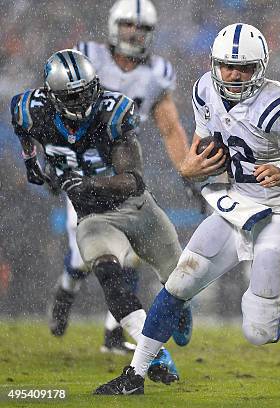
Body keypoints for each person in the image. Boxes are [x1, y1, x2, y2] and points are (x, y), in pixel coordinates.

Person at [94, 23, 280, 395]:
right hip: (236, 205)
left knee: (259, 331)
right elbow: (197, 154)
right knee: (179, 283)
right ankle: (135, 375)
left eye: (245, 68)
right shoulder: (204, 89)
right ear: (214, 64)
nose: (233, 75)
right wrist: (190, 167)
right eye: (226, 66)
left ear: (261, 68)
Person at [11, 50, 181, 384]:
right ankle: (68, 295)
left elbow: (133, 179)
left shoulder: (112, 112)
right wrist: (31, 163)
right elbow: (22, 129)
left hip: (117, 193)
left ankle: (124, 331)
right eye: (72, 96)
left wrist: (87, 181)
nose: (82, 101)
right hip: (83, 203)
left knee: (159, 270)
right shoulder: (30, 110)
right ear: (52, 96)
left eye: (86, 91)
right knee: (84, 263)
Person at [48, 0, 194, 353]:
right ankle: (67, 287)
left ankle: (114, 334)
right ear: (115, 26)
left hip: (123, 173)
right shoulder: (86, 58)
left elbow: (170, 128)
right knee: (86, 256)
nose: (134, 33)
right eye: (129, 25)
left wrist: (189, 175)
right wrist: (52, 162)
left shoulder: (156, 73)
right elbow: (52, 110)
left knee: (129, 252)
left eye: (142, 28)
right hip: (83, 170)